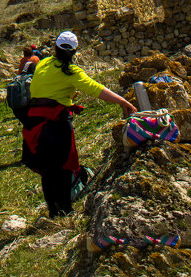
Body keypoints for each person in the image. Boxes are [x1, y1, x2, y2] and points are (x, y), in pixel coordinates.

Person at [21, 30, 136, 218]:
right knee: (66, 164)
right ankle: (66, 208)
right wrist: (123, 101)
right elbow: (96, 89)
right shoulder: (72, 72)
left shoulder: (42, 64)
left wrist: (65, 97)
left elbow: (41, 89)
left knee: (49, 169)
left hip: (34, 121)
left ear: (55, 48)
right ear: (74, 52)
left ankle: (52, 211)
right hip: (57, 122)